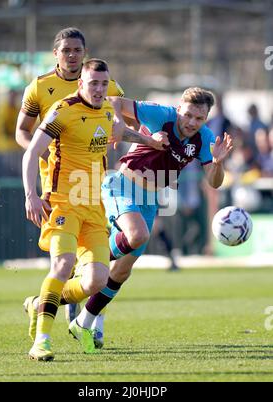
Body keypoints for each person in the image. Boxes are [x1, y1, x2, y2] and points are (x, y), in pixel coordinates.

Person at [22, 59, 168, 361]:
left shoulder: (104, 111)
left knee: (96, 281)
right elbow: (33, 151)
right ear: (81, 84)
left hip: (95, 207)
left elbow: (119, 132)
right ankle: (42, 341)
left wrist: (149, 141)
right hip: (63, 203)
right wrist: (31, 195)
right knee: (62, 267)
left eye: (104, 83)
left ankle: (40, 304)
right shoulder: (63, 110)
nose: (100, 89)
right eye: (94, 83)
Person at [68, 87, 233, 347]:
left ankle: (85, 322)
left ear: (206, 118)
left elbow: (214, 182)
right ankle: (84, 267)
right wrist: (120, 126)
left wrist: (218, 162)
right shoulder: (161, 115)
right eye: (188, 114)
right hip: (122, 184)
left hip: (151, 199)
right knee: (137, 235)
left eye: (199, 118)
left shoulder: (205, 138)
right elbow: (113, 101)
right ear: (179, 108)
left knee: (122, 271)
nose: (192, 122)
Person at [16, 27, 124, 341]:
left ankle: (54, 305)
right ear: (56, 54)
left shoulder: (104, 86)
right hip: (58, 185)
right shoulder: (40, 87)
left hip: (92, 190)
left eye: (78, 50)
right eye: (67, 50)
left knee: (93, 275)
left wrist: (146, 138)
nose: (73, 55)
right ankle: (49, 337)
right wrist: (44, 151)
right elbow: (24, 132)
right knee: (63, 263)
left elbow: (117, 122)